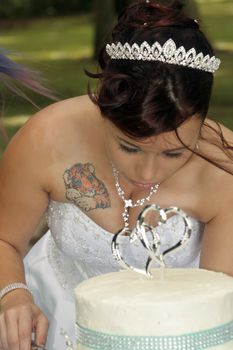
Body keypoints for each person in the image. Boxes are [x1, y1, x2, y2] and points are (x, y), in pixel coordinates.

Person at [0, 0, 233, 349]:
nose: (148, 172)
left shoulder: (223, 169)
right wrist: (12, 294)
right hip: (54, 316)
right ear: (102, 111)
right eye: (129, 147)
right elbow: (5, 241)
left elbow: (215, 305)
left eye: (174, 152)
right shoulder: (47, 138)